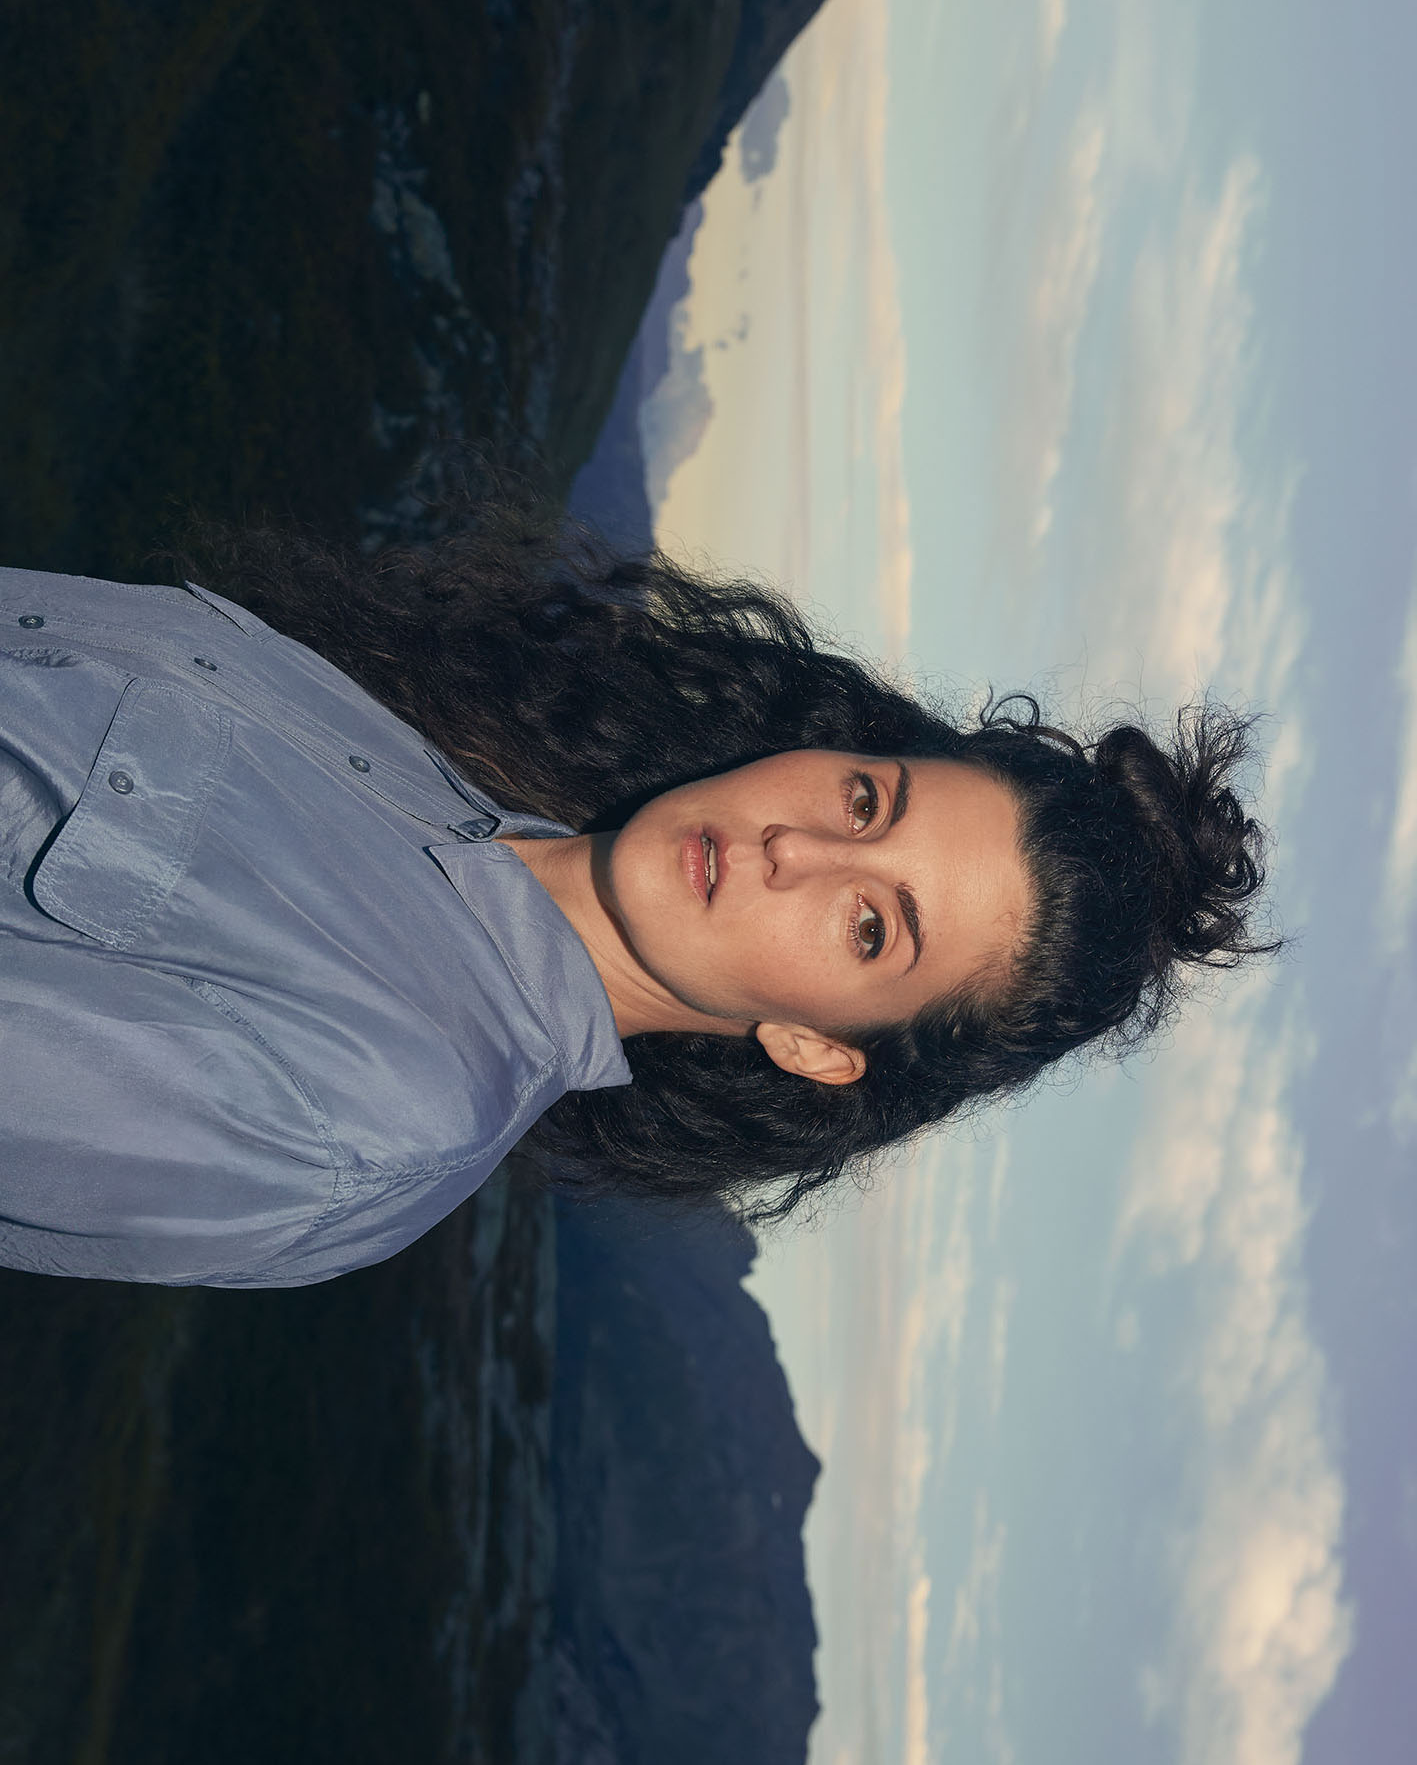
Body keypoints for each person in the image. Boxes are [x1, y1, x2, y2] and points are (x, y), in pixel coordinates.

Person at [0, 486, 1275, 1288]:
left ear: (816, 1044)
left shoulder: (377, 1109)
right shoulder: (408, 750)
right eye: (864, 801)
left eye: (869, 925)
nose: (797, 850)